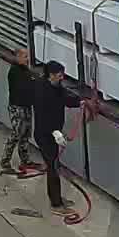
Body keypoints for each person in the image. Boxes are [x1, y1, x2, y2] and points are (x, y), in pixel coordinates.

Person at [32, 60, 85, 215]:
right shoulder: (42, 90)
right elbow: (42, 115)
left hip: (52, 134)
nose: (62, 77)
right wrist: (54, 131)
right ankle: (56, 204)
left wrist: (80, 102)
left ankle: (57, 198)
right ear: (51, 75)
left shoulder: (55, 86)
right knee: (53, 168)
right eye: (59, 75)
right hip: (44, 135)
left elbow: (64, 99)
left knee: (55, 166)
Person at [0, 48, 35, 174]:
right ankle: (5, 161)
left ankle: (25, 160)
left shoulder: (24, 70)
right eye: (25, 56)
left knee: (25, 135)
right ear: (18, 57)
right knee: (16, 134)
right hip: (18, 108)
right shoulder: (15, 72)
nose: (28, 59)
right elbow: (23, 89)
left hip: (25, 107)